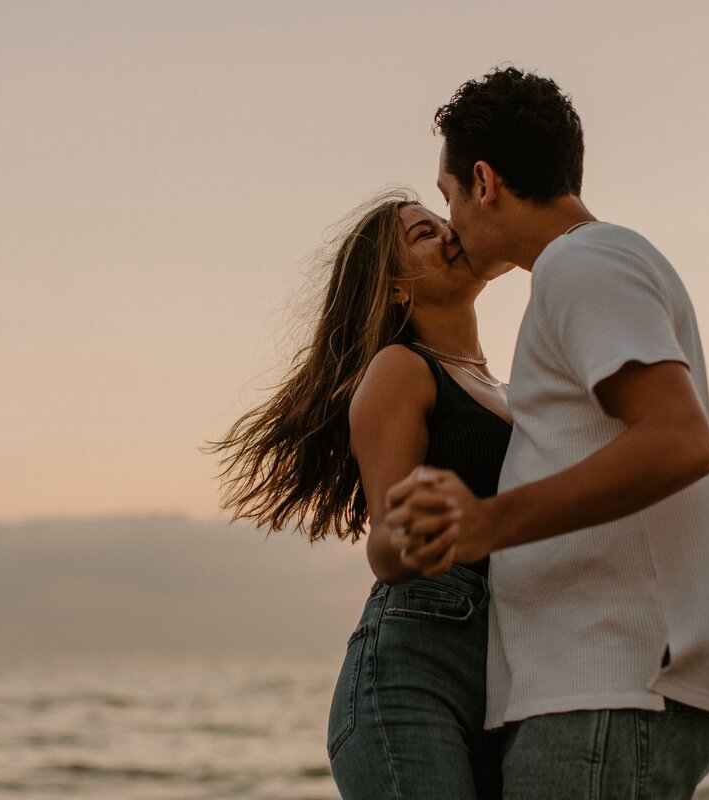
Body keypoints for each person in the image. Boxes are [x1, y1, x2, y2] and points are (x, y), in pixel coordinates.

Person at [386, 67, 709, 798]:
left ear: (484, 181)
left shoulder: (583, 264)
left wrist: (490, 521)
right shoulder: (595, 264)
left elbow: (679, 439)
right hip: (602, 690)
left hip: (605, 689)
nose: (450, 218)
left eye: (448, 195)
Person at [209, 189, 510, 798]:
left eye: (444, 222)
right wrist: (415, 531)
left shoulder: (505, 387)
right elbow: (388, 545)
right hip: (410, 678)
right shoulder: (401, 369)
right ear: (396, 288)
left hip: (500, 671)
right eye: (424, 234)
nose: (448, 234)